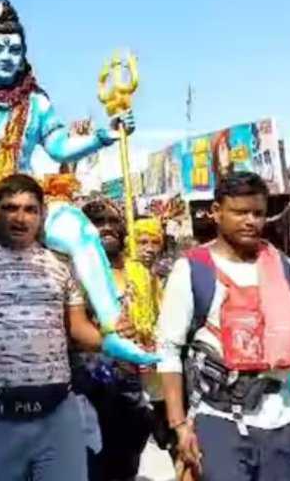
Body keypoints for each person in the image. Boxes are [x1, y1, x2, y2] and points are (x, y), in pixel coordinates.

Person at [0, 0, 154, 367]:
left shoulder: (37, 102)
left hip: (30, 194)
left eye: (15, 48)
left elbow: (59, 146)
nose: (7, 56)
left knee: (78, 229)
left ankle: (112, 329)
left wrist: (100, 137)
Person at [156, 172, 290, 481]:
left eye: (258, 213)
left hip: (281, 419)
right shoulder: (192, 269)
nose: (250, 221)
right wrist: (179, 426)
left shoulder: (284, 268)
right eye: (240, 212)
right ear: (216, 212)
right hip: (217, 419)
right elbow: (168, 350)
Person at [0, 173, 95, 481]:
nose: (20, 218)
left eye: (29, 209)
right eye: (10, 208)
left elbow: (78, 328)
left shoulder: (62, 263)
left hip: (57, 412)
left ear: (42, 215)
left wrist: (114, 338)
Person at [73, 199, 167, 481]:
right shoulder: (74, 273)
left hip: (136, 381)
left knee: (127, 459)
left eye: (113, 222)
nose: (107, 228)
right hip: (90, 381)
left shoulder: (139, 272)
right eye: (98, 223)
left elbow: (156, 318)